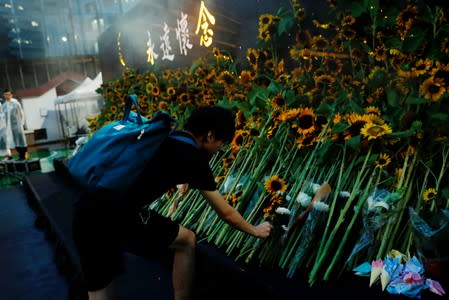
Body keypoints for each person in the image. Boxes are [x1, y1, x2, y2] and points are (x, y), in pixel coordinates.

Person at [72, 106, 273, 300]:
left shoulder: (165, 137)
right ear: (210, 136)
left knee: (100, 284)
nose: (221, 149)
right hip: (116, 217)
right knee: (186, 240)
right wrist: (255, 230)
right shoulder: (194, 157)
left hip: (85, 211)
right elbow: (225, 213)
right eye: (222, 142)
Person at [2, 89, 28, 160]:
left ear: (11, 95)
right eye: (5, 94)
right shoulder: (4, 106)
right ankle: (20, 155)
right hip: (9, 128)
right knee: (14, 142)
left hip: (17, 126)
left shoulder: (15, 103)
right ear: (4, 95)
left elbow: (21, 113)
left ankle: (24, 156)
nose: (7, 96)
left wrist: (21, 124)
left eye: (8, 94)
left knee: (21, 141)